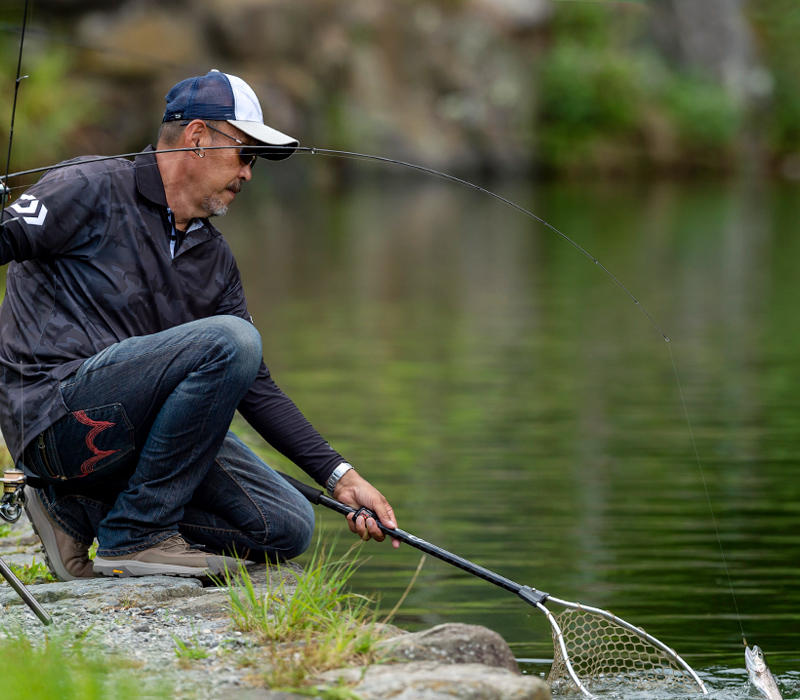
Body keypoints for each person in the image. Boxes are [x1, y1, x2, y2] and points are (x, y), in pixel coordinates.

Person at [0, 70, 398, 581]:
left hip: (128, 438)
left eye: (255, 161)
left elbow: (256, 386)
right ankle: (138, 536)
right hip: (52, 423)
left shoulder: (213, 257)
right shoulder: (88, 185)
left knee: (285, 525)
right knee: (232, 339)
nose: (249, 173)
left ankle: (75, 511)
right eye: (245, 154)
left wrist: (341, 477)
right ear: (197, 137)